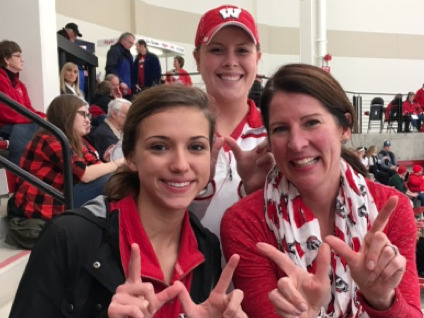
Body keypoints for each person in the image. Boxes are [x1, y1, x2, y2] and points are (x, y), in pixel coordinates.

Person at [9, 85, 247, 318]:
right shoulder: (68, 236)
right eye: (159, 147)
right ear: (130, 157)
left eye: (196, 147)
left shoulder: (206, 247)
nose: (181, 165)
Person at [221, 64, 421, 317]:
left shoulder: (391, 209)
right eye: (280, 129)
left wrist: (381, 299)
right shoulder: (244, 222)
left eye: (311, 123)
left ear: (345, 127)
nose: (296, 143)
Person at [190, 5, 274, 238]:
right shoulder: (172, 133)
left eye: (242, 51)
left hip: (261, 272)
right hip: (185, 272)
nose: (230, 61)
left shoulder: (278, 135)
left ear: (257, 59)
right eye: (217, 50)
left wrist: (258, 194)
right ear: (197, 59)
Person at [6, 94, 124, 249]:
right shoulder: (50, 138)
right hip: (42, 204)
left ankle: (119, 229)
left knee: (115, 179)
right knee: (108, 180)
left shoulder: (75, 140)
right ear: (66, 114)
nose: (88, 120)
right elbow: (86, 174)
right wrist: (121, 162)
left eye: (88, 115)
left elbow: (96, 165)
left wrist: (115, 166)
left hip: (61, 197)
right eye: (83, 114)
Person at [0, 40, 46, 165]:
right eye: (18, 56)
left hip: (16, 124)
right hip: (4, 125)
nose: (22, 60)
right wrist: (36, 119)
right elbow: (7, 113)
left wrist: (43, 117)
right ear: (6, 59)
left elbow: (28, 108)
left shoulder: (20, 85)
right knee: (25, 128)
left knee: (44, 126)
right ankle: (19, 174)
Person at [105, 32, 134, 97]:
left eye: (132, 43)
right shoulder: (114, 51)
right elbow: (110, 69)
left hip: (127, 89)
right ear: (123, 40)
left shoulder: (129, 55)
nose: (131, 45)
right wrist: (120, 82)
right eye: (130, 42)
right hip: (117, 89)